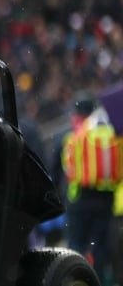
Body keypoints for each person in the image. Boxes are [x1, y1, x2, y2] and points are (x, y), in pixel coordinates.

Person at [58, 92, 118, 283]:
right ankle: (97, 280)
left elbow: (67, 166)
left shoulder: (75, 135)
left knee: (76, 246)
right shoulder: (112, 133)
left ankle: (76, 280)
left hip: (80, 200)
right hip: (106, 198)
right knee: (99, 247)